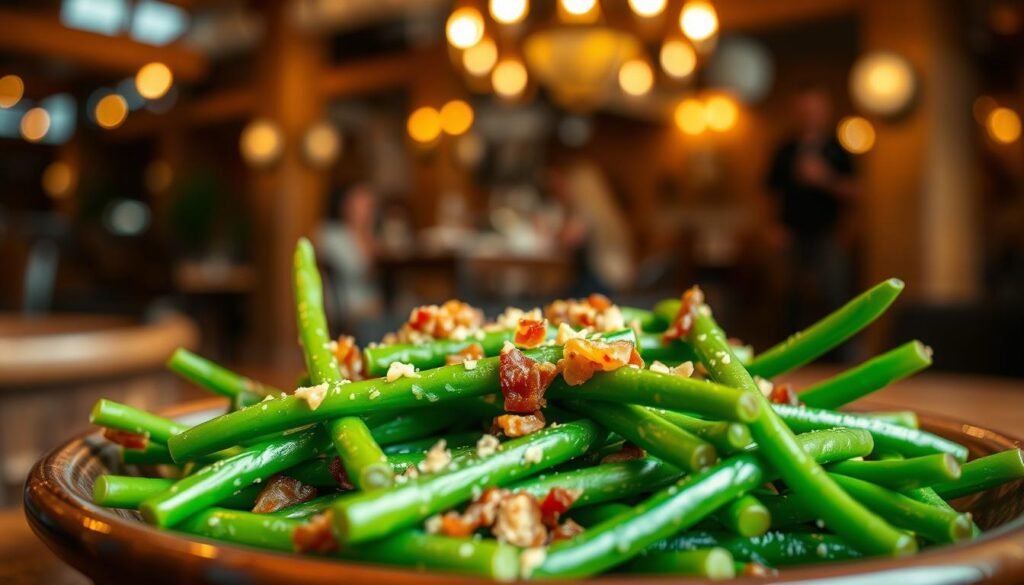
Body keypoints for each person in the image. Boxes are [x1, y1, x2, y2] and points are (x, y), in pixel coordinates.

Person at [766, 86, 857, 332]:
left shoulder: (838, 149)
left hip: (828, 233)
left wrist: (825, 178)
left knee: (834, 294)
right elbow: (770, 193)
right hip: (791, 233)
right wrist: (774, 227)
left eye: (815, 109)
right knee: (788, 298)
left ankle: (838, 356)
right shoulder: (785, 149)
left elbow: (855, 190)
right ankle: (787, 355)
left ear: (825, 112)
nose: (809, 115)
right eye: (804, 109)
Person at [317, 184, 382, 325]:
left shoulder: (372, 235)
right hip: (347, 304)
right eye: (361, 205)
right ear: (345, 206)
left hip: (375, 300)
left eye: (370, 206)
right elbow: (363, 270)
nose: (366, 211)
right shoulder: (331, 234)